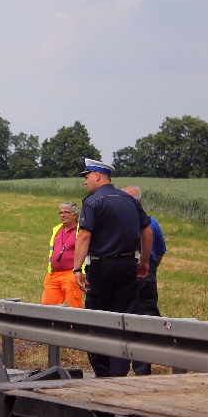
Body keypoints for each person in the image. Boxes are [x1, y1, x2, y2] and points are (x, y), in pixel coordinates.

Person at [72, 159, 152, 378]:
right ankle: (119, 371)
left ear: (97, 176)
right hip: (128, 265)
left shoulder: (92, 202)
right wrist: (144, 262)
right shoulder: (130, 200)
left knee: (97, 320)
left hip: (102, 266)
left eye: (86, 177)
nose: (85, 183)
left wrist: (77, 269)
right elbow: (148, 232)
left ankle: (103, 372)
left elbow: (84, 235)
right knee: (124, 319)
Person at [123, 186, 167, 376]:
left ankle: (131, 367)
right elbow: (160, 252)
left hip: (136, 272)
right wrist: (150, 267)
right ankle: (142, 368)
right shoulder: (153, 222)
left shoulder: (137, 223)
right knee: (145, 318)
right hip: (148, 272)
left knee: (130, 318)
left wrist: (143, 265)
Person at [41, 201, 85, 308]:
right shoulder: (56, 229)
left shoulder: (81, 231)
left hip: (71, 274)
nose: (63, 215)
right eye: (61, 213)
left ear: (75, 215)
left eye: (66, 212)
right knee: (46, 307)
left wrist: (80, 271)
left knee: (73, 306)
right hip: (53, 274)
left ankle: (75, 325)